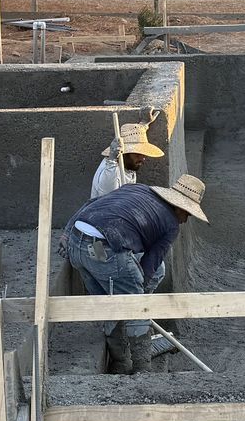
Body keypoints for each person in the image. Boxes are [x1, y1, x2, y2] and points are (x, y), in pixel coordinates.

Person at [64, 173, 209, 374]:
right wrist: (137, 299)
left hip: (75, 243)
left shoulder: (139, 188)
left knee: (108, 303)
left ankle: (120, 362)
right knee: (136, 308)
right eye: (188, 214)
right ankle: (143, 370)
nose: (186, 220)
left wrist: (66, 233)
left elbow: (91, 202)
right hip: (105, 248)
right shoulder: (171, 225)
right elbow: (150, 264)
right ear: (180, 207)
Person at [90, 122, 163, 200]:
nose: (143, 159)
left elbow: (133, 135)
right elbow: (109, 203)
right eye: (137, 154)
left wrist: (143, 125)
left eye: (143, 154)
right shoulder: (111, 173)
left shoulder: (128, 164)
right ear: (124, 153)